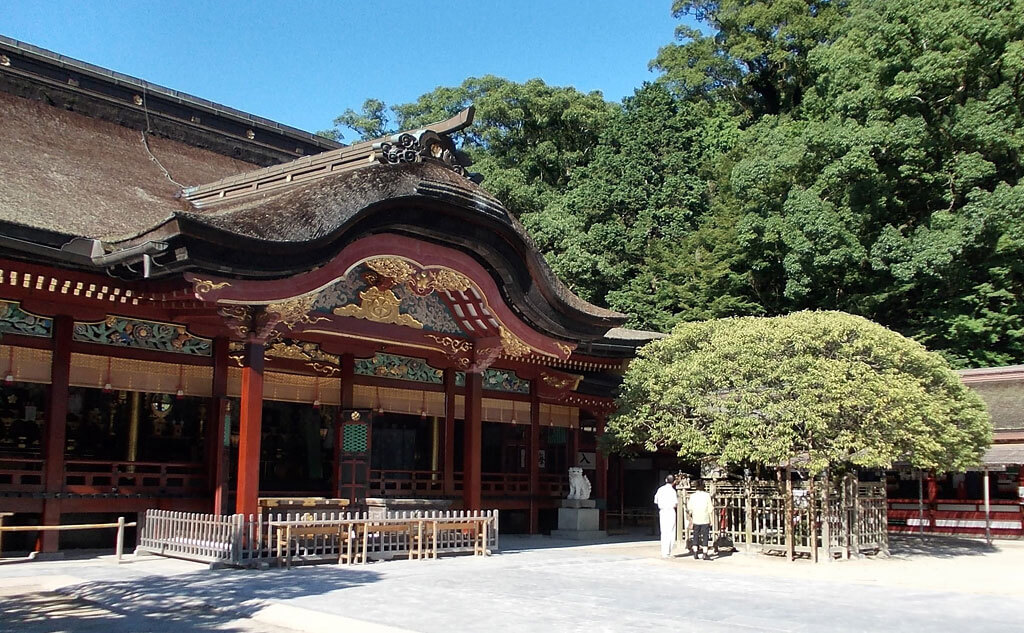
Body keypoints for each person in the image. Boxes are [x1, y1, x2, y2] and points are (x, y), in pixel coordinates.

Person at [688, 480, 714, 560]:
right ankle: (705, 553)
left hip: (696, 518)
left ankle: (695, 552)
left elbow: (690, 508)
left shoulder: (693, 496)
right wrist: (711, 519)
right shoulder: (707, 495)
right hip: (705, 518)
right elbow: (710, 508)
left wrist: (690, 518)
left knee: (696, 535)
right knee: (705, 536)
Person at [653, 475, 678, 558]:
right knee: (671, 531)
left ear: (666, 480)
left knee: (664, 532)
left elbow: (656, 501)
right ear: (674, 482)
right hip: (670, 511)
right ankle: (668, 552)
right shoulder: (672, 491)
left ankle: (664, 552)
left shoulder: (660, 489)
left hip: (662, 511)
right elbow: (675, 504)